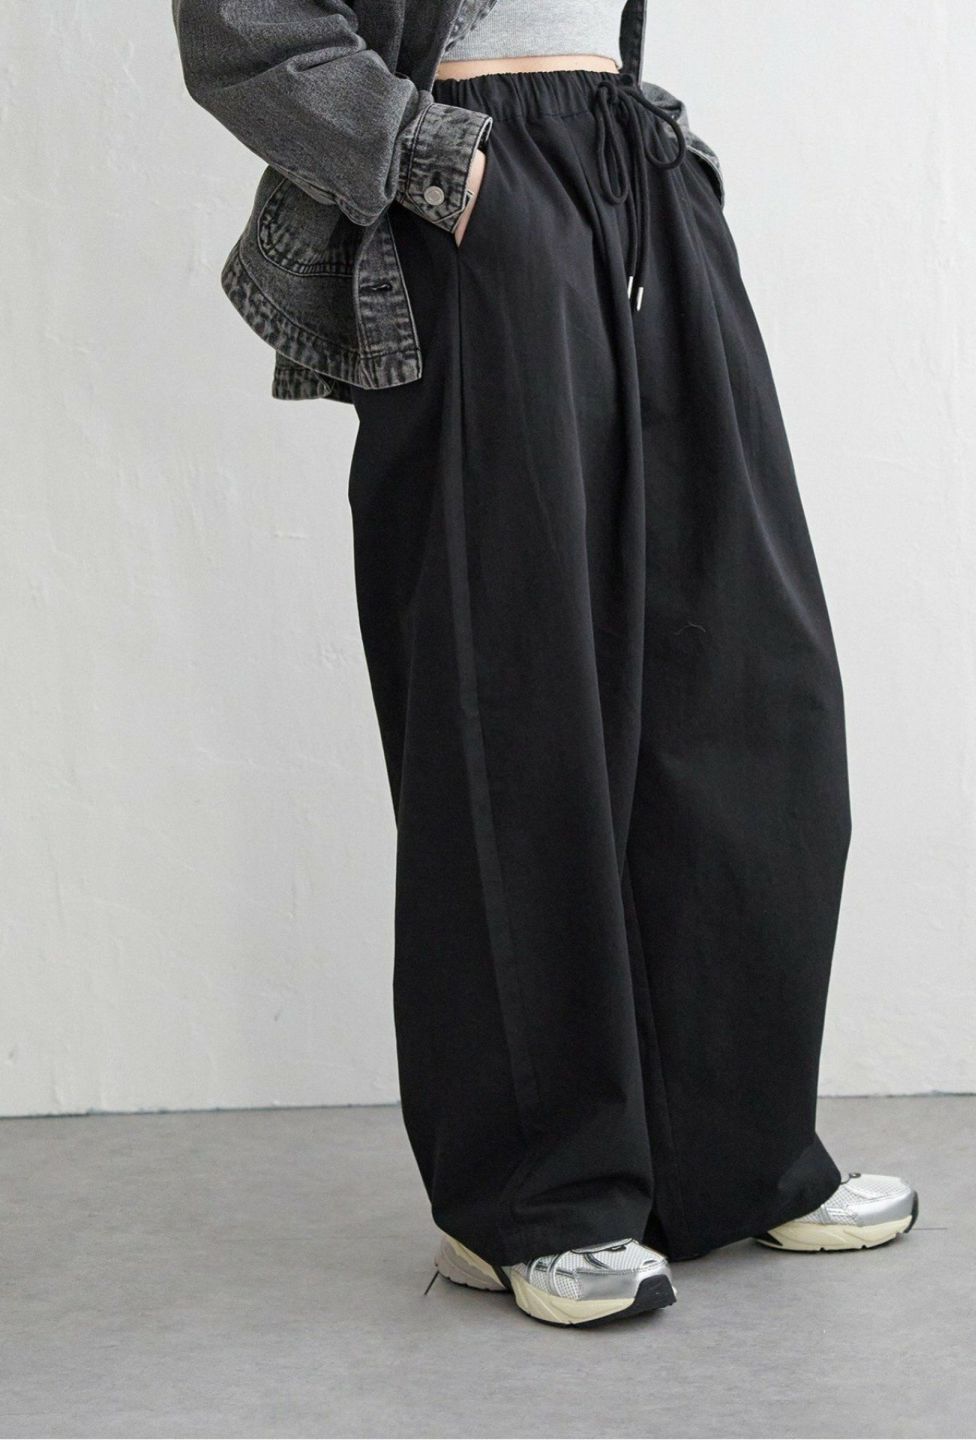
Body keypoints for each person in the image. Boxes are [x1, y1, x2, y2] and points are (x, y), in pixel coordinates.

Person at [172, 0, 917, 1329]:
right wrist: (438, 165)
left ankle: (731, 1155)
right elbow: (244, 26)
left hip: (634, 166)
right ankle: (530, 1195)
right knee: (509, 690)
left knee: (748, 673)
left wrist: (650, 166)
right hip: (475, 171)